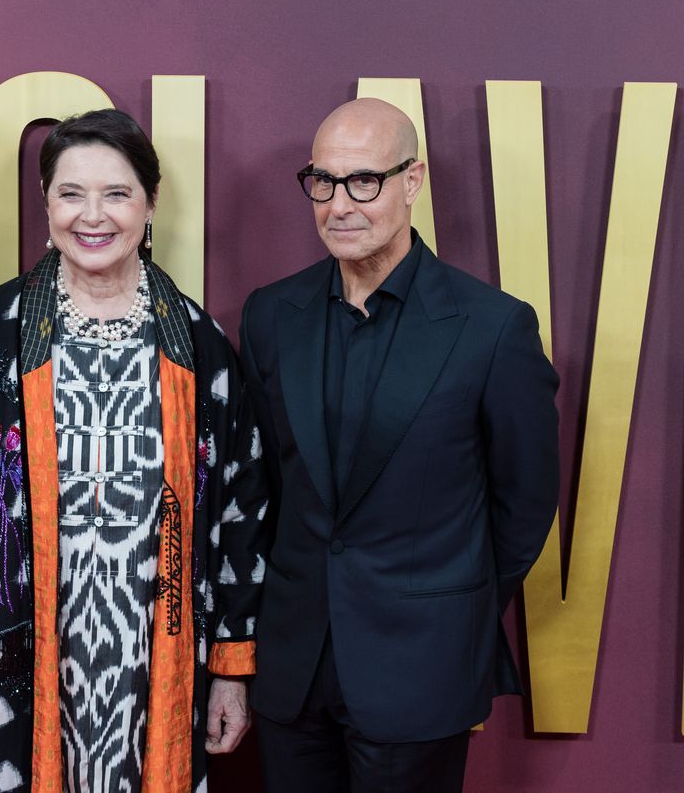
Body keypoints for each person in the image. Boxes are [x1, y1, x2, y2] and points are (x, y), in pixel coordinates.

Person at [0, 109, 267, 792]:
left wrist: (231, 673)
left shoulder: (201, 347)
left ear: (150, 205)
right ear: (45, 204)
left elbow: (242, 517)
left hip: (155, 663)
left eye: (117, 194)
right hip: (9, 653)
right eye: (71, 194)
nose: (92, 216)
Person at [240, 98, 560, 793]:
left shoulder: (492, 329)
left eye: (364, 181)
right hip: (293, 669)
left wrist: (443, 606)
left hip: (422, 669)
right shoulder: (271, 315)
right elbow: (263, 489)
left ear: (412, 181)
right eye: (322, 182)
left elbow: (526, 505)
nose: (339, 205)